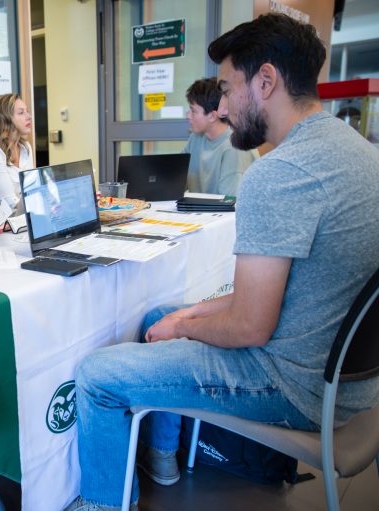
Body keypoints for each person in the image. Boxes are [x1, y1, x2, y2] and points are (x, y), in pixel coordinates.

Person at [66, 13, 379, 511]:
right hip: (354, 382)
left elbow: (250, 325)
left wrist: (184, 325)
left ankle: (102, 504)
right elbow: (279, 294)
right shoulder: (362, 155)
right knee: (159, 315)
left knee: (96, 374)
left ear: (266, 81)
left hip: (296, 386)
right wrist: (183, 317)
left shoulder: (280, 174)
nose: (225, 107)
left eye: (229, 89)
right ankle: (161, 457)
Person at [182, 77, 257, 196]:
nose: (188, 116)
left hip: (225, 208)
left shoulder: (235, 146)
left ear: (212, 116)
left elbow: (231, 200)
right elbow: (177, 176)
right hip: (197, 207)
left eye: (193, 111)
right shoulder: (195, 138)